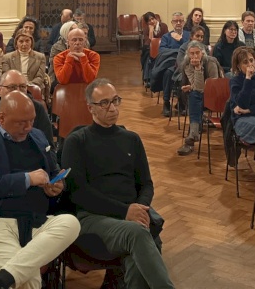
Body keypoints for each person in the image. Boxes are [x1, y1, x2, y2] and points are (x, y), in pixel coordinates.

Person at [0, 90, 78, 289]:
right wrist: (26, 179)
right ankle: (2, 279)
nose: (28, 127)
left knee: (71, 223)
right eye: (22, 122)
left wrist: (56, 186)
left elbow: (53, 171)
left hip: (36, 223)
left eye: (32, 121)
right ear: (2, 118)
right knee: (29, 281)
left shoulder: (37, 136)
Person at [62, 78, 175, 289]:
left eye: (115, 100)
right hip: (92, 218)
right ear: (90, 108)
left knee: (136, 255)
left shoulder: (131, 139)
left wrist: (139, 209)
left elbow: (146, 184)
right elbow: (79, 194)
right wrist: (125, 212)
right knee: (140, 234)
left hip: (131, 216)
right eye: (104, 103)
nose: (112, 108)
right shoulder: (77, 142)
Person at [0, 70, 53, 139]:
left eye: (22, 87)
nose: (17, 91)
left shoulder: (38, 109)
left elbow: (49, 147)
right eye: (12, 87)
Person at [176, 42, 223, 156]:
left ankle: (191, 138)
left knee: (194, 94)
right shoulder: (186, 64)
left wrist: (193, 85)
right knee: (194, 95)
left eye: (197, 53)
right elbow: (198, 87)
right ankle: (193, 134)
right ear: (188, 54)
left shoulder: (210, 62)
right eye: (192, 53)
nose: (195, 56)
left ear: (202, 53)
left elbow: (214, 85)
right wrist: (197, 69)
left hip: (216, 96)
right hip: (199, 96)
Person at [228, 46, 255, 145]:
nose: (250, 64)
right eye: (245, 62)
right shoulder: (235, 81)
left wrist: (250, 110)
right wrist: (248, 80)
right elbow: (242, 104)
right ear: (238, 66)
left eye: (251, 60)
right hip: (242, 120)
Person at [150, 13, 189, 116]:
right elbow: (162, 51)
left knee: (185, 73)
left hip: (187, 64)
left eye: (181, 21)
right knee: (168, 73)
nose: (178, 23)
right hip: (171, 64)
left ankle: (182, 103)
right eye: (176, 21)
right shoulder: (166, 36)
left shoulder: (188, 35)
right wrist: (179, 51)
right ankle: (166, 102)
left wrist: (177, 51)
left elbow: (191, 49)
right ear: (172, 23)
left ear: (184, 22)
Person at [0, 30, 50, 99]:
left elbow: (40, 77)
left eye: (27, 41)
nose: (24, 44)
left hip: (34, 88)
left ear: (31, 42)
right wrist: (19, 87)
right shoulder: (7, 57)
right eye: (21, 41)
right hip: (14, 89)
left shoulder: (40, 57)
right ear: (16, 43)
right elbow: (7, 76)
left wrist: (26, 86)